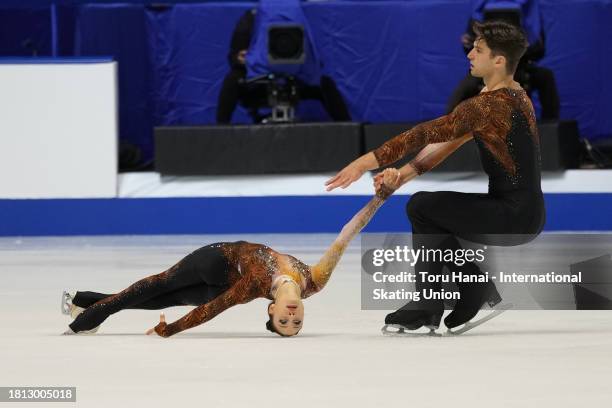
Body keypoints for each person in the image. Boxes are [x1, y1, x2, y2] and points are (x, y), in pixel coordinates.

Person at [326, 20, 545, 332]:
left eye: (478, 50)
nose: (469, 54)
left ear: (499, 60)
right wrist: (400, 176)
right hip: (521, 211)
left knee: (423, 208)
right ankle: (447, 296)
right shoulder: (511, 96)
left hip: (514, 214)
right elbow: (444, 144)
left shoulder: (489, 106)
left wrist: (366, 161)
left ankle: (449, 295)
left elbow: (425, 132)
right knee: (427, 210)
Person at [61, 174, 398, 338]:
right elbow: (347, 235)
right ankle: (87, 319)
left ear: (271, 309)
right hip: (216, 259)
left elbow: (211, 309)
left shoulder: (253, 287)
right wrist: (380, 198)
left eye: (284, 322)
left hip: (220, 287)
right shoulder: (315, 280)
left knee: (157, 299)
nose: (291, 317)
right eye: (296, 322)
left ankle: (85, 299)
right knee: (158, 285)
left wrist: (171, 330)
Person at [216, 6, 351, 124]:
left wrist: (308, 63)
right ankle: (219, 132)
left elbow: (315, 57)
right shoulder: (252, 18)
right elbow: (234, 55)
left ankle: (349, 131)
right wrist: (239, 58)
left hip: (297, 76)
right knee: (233, 80)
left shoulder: (304, 18)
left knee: (324, 83)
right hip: (260, 79)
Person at [447, 0, 560, 120]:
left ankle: (550, 131)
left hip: (519, 66)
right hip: (488, 68)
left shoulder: (530, 11)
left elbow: (539, 50)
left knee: (546, 77)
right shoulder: (480, 11)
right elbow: (469, 45)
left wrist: (522, 49)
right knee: (464, 90)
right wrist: (469, 44)